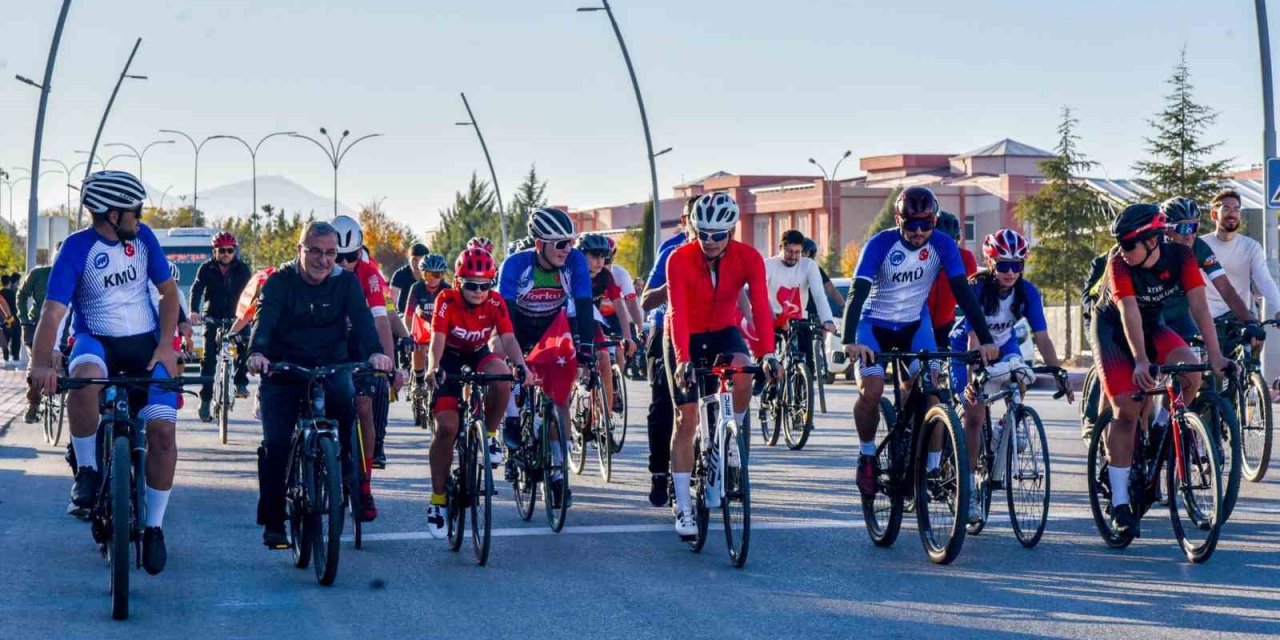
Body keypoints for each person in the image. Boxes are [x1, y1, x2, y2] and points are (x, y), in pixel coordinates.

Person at [27, 170, 182, 575]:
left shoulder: (144, 239)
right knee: (86, 377)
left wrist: (166, 345)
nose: (140, 216)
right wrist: (42, 362)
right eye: (135, 210)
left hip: (145, 344)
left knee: (163, 432)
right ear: (113, 214)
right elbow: (54, 311)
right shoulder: (77, 249)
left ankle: (153, 528)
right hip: (97, 339)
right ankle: (90, 472)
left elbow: (168, 293)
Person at [842, 186, 998, 499]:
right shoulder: (880, 244)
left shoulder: (942, 244)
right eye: (911, 224)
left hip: (915, 325)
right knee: (871, 391)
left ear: (935, 222)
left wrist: (985, 339)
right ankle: (867, 453)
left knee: (933, 392)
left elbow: (964, 294)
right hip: (873, 326)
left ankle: (930, 468)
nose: (918, 232)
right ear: (898, 220)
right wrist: (849, 339)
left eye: (926, 224)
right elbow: (856, 293)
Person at [245, 220, 392, 549]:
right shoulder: (279, 282)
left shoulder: (346, 284)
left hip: (331, 367)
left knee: (347, 407)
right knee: (277, 444)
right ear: (300, 250)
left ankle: (350, 477)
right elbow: (263, 320)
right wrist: (257, 353)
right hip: (284, 370)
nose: (323, 260)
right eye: (315, 251)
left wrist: (374, 354)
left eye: (330, 253)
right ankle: (273, 520)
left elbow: (365, 323)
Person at [1091, 203, 1228, 534]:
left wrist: (1217, 356)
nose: (1122, 251)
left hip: (1153, 325)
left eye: (1128, 244)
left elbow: (1199, 307)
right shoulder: (1118, 262)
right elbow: (1128, 312)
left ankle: (1163, 427)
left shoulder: (1181, 257)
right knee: (1127, 408)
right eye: (1119, 244)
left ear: (1152, 240)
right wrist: (1140, 359)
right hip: (1113, 331)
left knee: (1192, 373)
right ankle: (1121, 504)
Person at [666, 191, 781, 537]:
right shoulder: (679, 259)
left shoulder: (749, 257)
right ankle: (684, 508)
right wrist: (684, 359)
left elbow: (760, 306)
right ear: (694, 230)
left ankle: (732, 436)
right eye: (703, 234)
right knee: (686, 419)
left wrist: (769, 353)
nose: (710, 241)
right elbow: (678, 312)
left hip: (723, 330)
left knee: (744, 368)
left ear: (731, 232)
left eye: (718, 235)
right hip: (685, 334)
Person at [949, 228, 1070, 524]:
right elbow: (973, 338)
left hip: (1004, 344)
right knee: (974, 414)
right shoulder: (977, 288)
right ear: (991, 264)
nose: (1010, 272)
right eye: (1003, 265)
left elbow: (1042, 337)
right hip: (968, 346)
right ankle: (970, 487)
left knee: (1021, 373)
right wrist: (973, 377)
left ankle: (1009, 421)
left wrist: (1057, 372)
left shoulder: (1027, 291)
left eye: (1017, 266)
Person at [423, 248, 526, 538]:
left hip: (478, 352)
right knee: (446, 428)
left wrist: (521, 366)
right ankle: (438, 500)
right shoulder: (446, 299)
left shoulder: (495, 301)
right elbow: (437, 340)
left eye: (485, 284)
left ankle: (491, 437)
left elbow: (507, 338)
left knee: (502, 377)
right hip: (449, 357)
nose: (479, 291)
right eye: (471, 285)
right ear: (458, 283)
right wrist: (432, 368)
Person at [497, 207, 596, 508]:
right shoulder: (515, 265)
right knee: (502, 361)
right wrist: (517, 362)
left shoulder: (574, 262)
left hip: (553, 327)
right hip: (516, 326)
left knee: (559, 397)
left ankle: (557, 472)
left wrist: (587, 349)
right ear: (539, 244)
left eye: (570, 242)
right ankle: (510, 421)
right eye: (561, 244)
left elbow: (583, 302)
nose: (568, 249)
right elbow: (504, 318)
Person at [331, 215, 401, 509]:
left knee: (364, 407)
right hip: (329, 342)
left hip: (360, 342)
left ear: (360, 252)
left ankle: (365, 485)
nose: (345, 263)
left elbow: (381, 321)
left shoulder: (369, 273)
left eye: (352, 256)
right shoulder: (320, 268)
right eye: (340, 256)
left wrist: (389, 363)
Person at [638, 202, 694, 506]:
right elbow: (646, 300)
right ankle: (660, 471)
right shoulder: (671, 249)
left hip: (704, 328)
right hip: (665, 326)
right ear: (685, 221)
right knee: (664, 402)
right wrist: (671, 287)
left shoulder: (725, 250)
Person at [1159, 197, 1254, 337]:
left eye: (1194, 227)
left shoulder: (1199, 247)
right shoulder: (1152, 247)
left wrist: (1249, 321)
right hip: (1152, 314)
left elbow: (1226, 288)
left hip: (1181, 314)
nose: (1189, 236)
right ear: (1165, 230)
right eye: (1184, 227)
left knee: (1201, 351)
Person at [189, 231, 252, 420]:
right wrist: (194, 310)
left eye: (229, 250)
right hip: (212, 317)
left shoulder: (242, 269)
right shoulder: (206, 268)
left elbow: (250, 294)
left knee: (247, 346)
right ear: (214, 252)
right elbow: (197, 288)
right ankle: (206, 399)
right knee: (208, 360)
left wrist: (251, 315)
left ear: (235, 251)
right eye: (221, 250)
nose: (226, 254)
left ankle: (240, 381)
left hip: (237, 318)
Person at [1200, 189, 1280, 328]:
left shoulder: (1251, 247)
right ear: (1214, 214)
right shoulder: (1200, 246)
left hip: (1241, 318)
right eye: (1226, 209)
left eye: (1236, 209)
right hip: (1207, 319)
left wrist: (1279, 308)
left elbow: (1264, 281)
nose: (1232, 213)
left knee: (1256, 338)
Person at [578, 233, 635, 418]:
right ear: (581, 255)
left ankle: (606, 415)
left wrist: (628, 337)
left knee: (604, 358)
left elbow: (619, 305)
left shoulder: (605, 276)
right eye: (594, 256)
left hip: (591, 321)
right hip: (567, 320)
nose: (600, 261)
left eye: (603, 256)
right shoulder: (571, 273)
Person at [765, 230, 837, 372]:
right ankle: (763, 380)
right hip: (772, 316)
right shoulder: (768, 265)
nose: (793, 257)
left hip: (798, 318)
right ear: (781, 248)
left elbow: (819, 295)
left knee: (808, 362)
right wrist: (774, 319)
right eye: (789, 252)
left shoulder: (809, 265)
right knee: (768, 355)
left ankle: (804, 388)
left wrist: (827, 320)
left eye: (797, 252)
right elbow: (760, 295)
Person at [925, 211, 979, 348]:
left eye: (951, 243)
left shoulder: (966, 258)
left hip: (946, 325)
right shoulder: (918, 257)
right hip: (917, 325)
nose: (946, 249)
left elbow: (973, 297)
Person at [405, 253, 452, 393]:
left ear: (442, 275)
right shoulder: (416, 288)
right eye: (428, 275)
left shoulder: (447, 289)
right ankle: (418, 381)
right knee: (418, 345)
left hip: (440, 327)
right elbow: (408, 314)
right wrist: (409, 335)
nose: (432, 279)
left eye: (436, 275)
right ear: (422, 274)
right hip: (423, 325)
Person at [19, 249, 56, 422]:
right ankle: (33, 402)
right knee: (36, 362)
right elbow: (22, 295)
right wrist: (24, 319)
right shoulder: (38, 274)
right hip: (35, 325)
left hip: (62, 327)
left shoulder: (74, 274)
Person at [389, 242, 429, 316]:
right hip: (402, 315)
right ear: (409, 259)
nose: (417, 264)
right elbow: (391, 301)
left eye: (421, 260)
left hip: (426, 317)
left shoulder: (431, 275)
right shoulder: (400, 275)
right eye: (414, 259)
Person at [0, 275, 16, 362]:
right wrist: (10, 317)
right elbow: (2, 302)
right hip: (6, 319)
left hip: (4, 319)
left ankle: (6, 357)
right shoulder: (12, 293)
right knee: (7, 337)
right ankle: (9, 357)